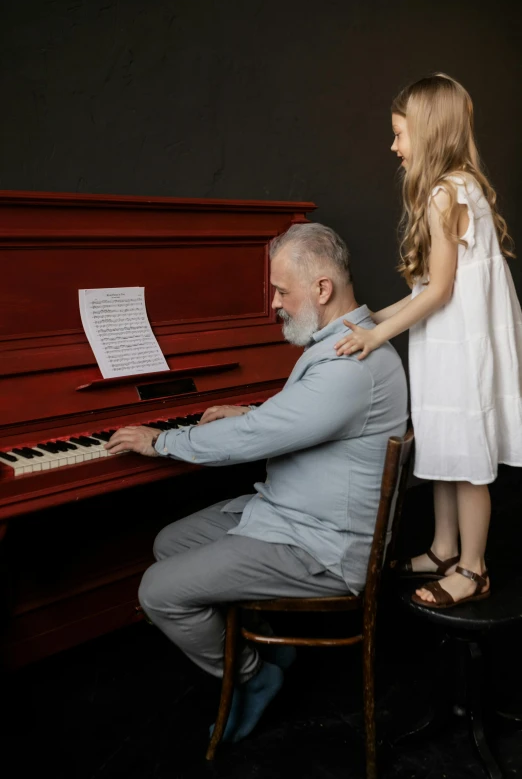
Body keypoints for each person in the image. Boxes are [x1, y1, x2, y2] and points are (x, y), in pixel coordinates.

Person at [105, 222, 407, 742]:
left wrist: (161, 442)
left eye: (281, 290)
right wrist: (249, 410)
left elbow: (260, 437)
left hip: (321, 546)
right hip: (291, 513)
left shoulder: (350, 364)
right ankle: (271, 642)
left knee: (156, 591)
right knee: (168, 542)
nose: (273, 303)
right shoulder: (344, 342)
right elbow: (304, 415)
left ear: (321, 289)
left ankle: (254, 675)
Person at [335, 73, 522, 609]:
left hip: (460, 349)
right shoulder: (462, 185)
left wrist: (376, 336)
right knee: (443, 445)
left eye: (400, 134)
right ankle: (443, 548)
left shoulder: (447, 194)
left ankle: (473, 568)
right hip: (447, 345)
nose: (393, 146)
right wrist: (368, 315)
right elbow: (425, 288)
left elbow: (438, 292)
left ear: (430, 133)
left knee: (467, 459)